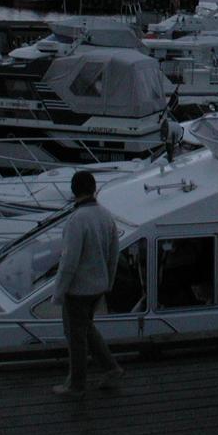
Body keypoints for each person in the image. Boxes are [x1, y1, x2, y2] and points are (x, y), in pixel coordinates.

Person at [51, 171, 123, 398]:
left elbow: (69, 261)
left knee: (75, 336)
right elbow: (114, 254)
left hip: (78, 289)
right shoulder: (105, 216)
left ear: (73, 192)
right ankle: (111, 368)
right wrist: (108, 282)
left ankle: (76, 385)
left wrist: (59, 293)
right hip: (98, 287)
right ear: (93, 189)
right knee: (86, 329)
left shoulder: (76, 220)